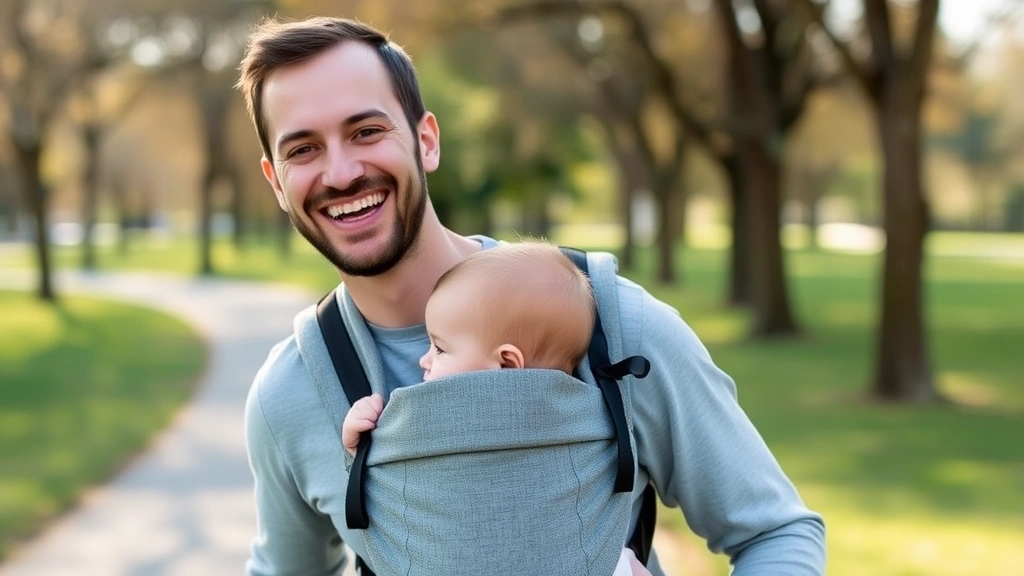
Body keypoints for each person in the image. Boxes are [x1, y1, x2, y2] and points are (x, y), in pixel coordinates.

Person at [237, 15, 826, 576]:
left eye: (366, 131)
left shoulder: (610, 326)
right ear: (276, 183)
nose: (340, 173)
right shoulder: (289, 396)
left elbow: (774, 531)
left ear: (426, 140)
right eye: (303, 149)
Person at [341, 241, 651, 576]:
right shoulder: (593, 414)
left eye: (440, 349)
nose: (423, 360)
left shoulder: (431, 420)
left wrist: (363, 442)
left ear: (506, 364)